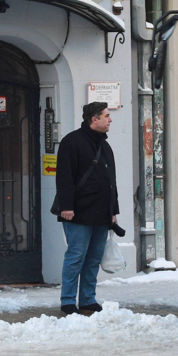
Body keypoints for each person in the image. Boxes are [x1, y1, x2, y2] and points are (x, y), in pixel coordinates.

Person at [53, 101, 121, 316]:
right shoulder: (72, 142)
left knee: (93, 259)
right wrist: (66, 206)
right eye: (106, 116)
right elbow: (64, 177)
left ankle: (88, 299)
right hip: (78, 212)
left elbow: (111, 182)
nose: (110, 120)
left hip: (101, 213)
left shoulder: (105, 145)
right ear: (94, 119)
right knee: (76, 257)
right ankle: (68, 301)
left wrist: (113, 211)